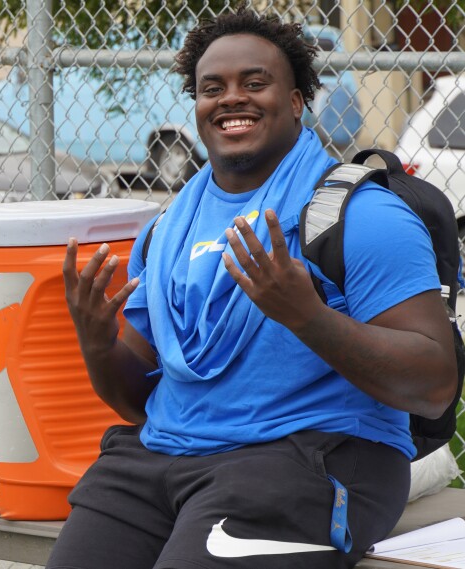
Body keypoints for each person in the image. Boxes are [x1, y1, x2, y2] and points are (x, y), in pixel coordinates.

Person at [54, 8, 457, 569]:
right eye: (211, 87)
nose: (231, 98)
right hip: (162, 457)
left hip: (309, 460)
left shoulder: (359, 216)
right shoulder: (167, 230)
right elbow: (136, 403)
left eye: (255, 83)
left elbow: (435, 383)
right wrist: (97, 344)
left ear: (296, 101)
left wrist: (307, 316)